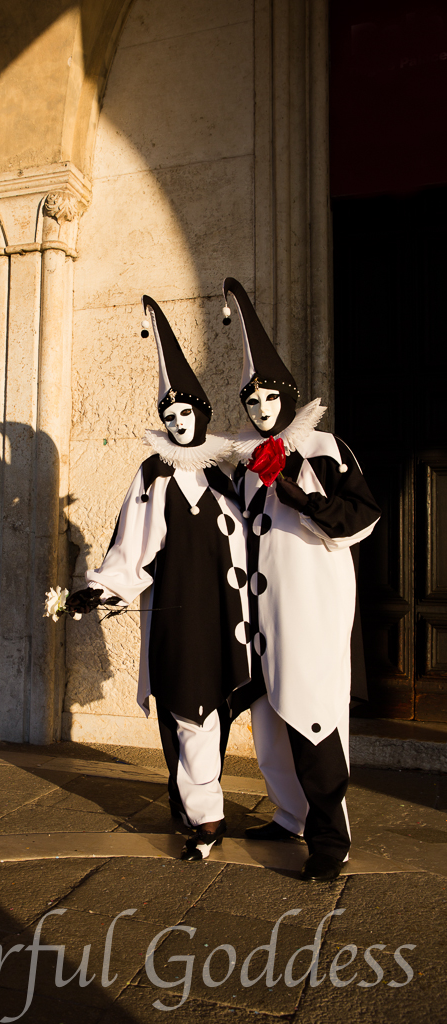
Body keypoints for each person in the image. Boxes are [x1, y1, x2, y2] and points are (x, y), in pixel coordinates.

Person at [66, 296, 252, 861]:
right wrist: (101, 586)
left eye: (184, 414)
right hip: (181, 617)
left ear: (201, 415)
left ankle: (195, 806)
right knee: (188, 710)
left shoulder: (223, 478)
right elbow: (133, 544)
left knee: (211, 712)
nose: (176, 422)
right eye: (168, 416)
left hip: (228, 619)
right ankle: (206, 820)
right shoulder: (154, 474)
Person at [221, 277, 381, 882]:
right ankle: (289, 814)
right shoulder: (244, 463)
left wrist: (300, 495)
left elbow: (360, 516)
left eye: (268, 399)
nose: (260, 410)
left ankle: (329, 838)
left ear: (287, 396)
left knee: (312, 716)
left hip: (309, 612)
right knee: (268, 723)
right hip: (260, 617)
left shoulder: (323, 447)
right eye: (251, 402)